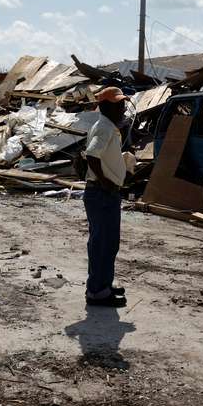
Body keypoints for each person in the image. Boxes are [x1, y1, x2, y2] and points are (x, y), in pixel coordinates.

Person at [83, 86, 129, 307]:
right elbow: (91, 156)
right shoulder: (104, 127)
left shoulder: (106, 126)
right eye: (118, 104)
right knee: (104, 243)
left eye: (122, 103)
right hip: (102, 194)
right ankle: (97, 292)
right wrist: (107, 182)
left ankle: (101, 284)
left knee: (103, 242)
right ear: (105, 106)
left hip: (100, 193)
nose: (123, 107)